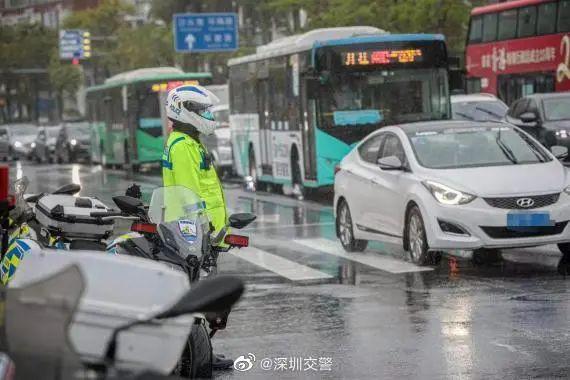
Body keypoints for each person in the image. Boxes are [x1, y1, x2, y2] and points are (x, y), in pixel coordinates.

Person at [162, 84, 233, 371]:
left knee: (201, 290)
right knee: (197, 290)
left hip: (201, 232)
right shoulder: (182, 147)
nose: (208, 115)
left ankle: (201, 349)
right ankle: (196, 352)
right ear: (185, 111)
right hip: (193, 233)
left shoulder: (189, 143)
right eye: (202, 110)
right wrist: (202, 230)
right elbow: (189, 194)